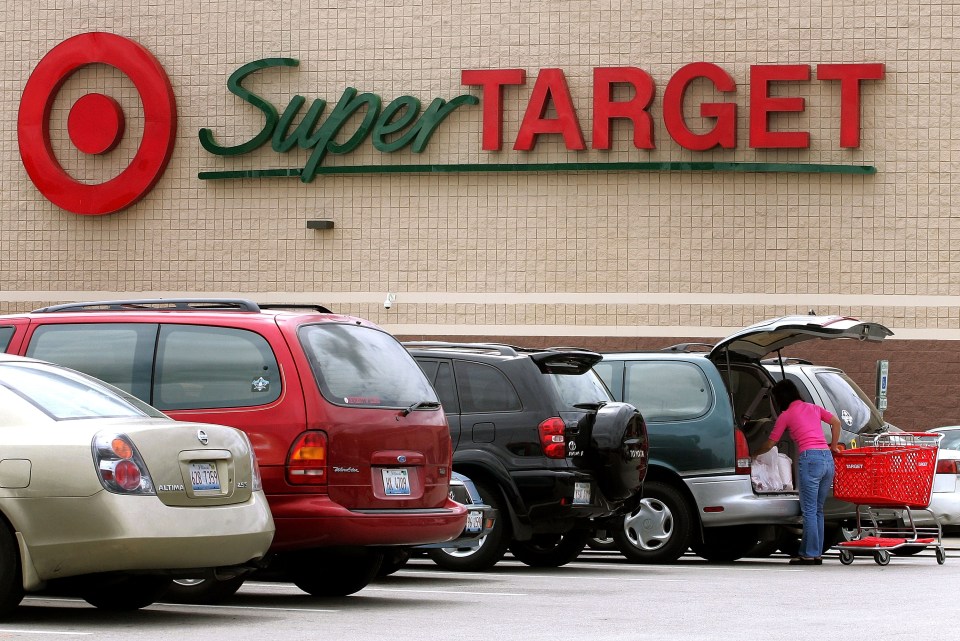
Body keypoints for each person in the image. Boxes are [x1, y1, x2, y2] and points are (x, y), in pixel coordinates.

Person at [755, 379, 842, 565]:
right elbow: (836, 422)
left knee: (809, 510)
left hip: (810, 459)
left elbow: (771, 443)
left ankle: (809, 554)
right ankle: (815, 553)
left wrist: (753, 453)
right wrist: (833, 446)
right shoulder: (813, 407)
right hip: (827, 459)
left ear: (780, 399)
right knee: (818, 510)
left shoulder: (786, 415)